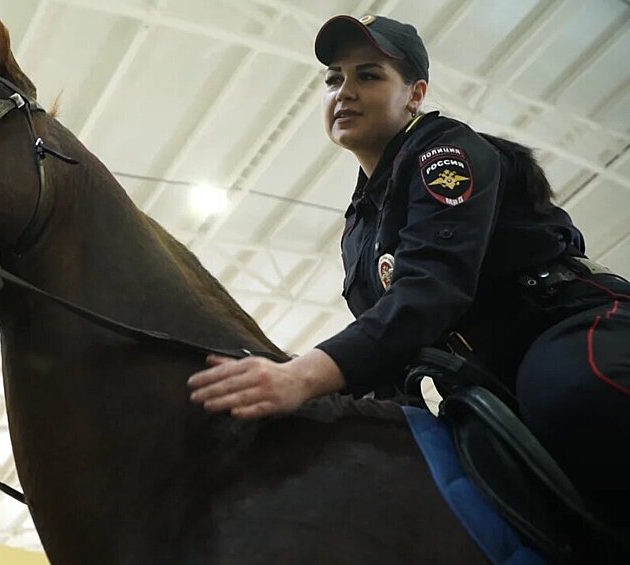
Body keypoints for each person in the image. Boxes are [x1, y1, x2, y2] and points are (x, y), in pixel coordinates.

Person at [187, 14, 630, 531]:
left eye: (368, 75)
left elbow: (429, 292)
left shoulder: (445, 154)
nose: (344, 91)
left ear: (415, 94)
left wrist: (302, 376)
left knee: (570, 393)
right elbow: (389, 351)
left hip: (563, 324)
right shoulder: (358, 231)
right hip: (486, 375)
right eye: (334, 78)